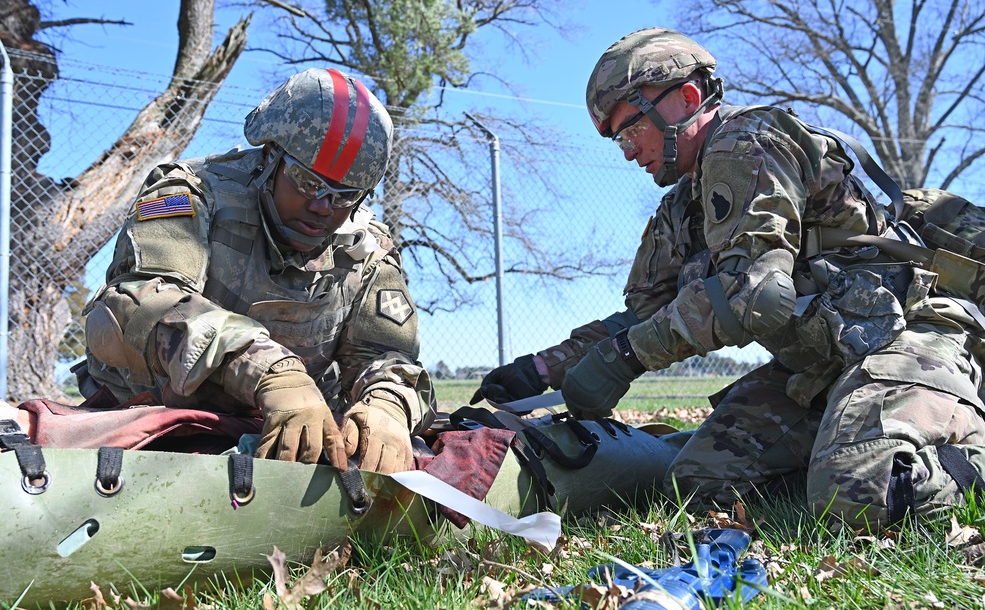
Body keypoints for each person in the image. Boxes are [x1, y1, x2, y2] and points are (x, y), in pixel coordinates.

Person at [475, 27, 985, 530]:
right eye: (617, 141)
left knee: (862, 491)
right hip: (819, 367)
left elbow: (756, 297)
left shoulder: (750, 143)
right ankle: (843, 449)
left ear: (688, 98)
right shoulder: (680, 210)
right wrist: (542, 370)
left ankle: (955, 451)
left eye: (630, 129)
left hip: (907, 338)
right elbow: (642, 317)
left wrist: (622, 360)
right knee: (700, 485)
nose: (628, 151)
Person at [81, 68, 435, 475]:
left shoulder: (366, 246)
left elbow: (384, 352)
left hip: (295, 429)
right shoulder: (194, 195)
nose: (323, 207)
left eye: (345, 195)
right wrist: (272, 371)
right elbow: (140, 304)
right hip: (156, 411)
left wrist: (389, 403)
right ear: (270, 157)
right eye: (306, 181)